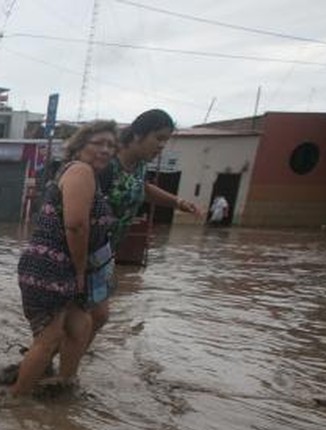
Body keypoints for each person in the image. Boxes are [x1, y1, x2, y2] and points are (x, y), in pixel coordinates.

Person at [11, 120, 118, 398]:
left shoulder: (85, 174)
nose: (106, 150)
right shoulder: (81, 171)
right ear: (81, 145)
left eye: (111, 145)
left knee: (81, 324)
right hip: (52, 266)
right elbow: (75, 225)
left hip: (59, 266)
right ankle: (17, 400)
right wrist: (81, 272)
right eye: (99, 143)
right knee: (49, 338)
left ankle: (64, 385)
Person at [97, 109, 201, 337]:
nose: (162, 145)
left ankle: (54, 363)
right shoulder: (106, 165)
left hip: (104, 255)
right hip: (82, 251)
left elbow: (142, 188)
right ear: (137, 135)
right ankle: (44, 363)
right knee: (88, 317)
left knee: (93, 318)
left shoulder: (139, 166)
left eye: (166, 140)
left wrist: (177, 202)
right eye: (159, 138)